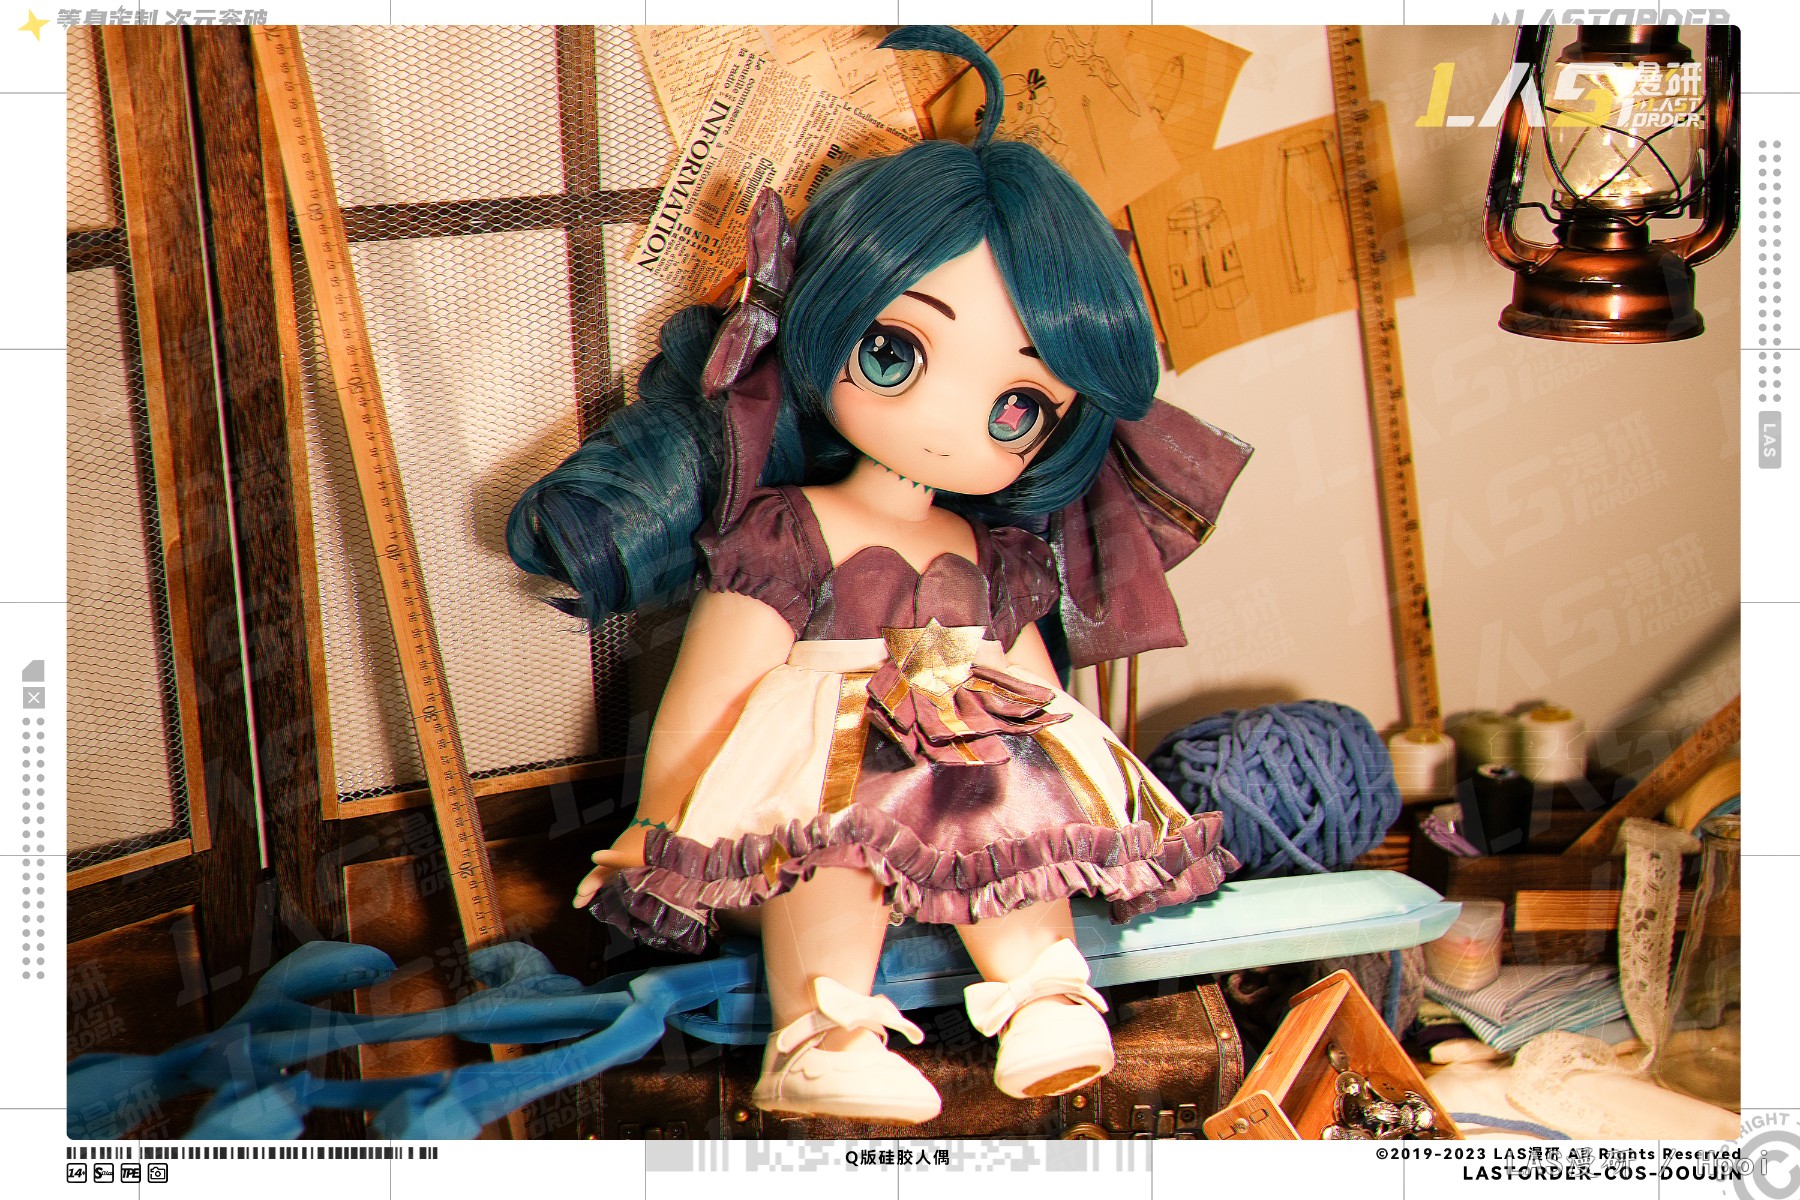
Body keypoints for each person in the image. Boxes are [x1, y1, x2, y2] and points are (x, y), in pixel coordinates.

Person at [508, 26, 1250, 1125]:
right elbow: (713, 696)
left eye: (1018, 406)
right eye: (897, 353)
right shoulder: (792, 532)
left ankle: (1043, 992)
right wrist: (662, 822)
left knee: (1019, 823)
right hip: (816, 801)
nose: (953, 426)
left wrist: (1092, 804)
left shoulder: (989, 551)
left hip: (963, 802)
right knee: (830, 851)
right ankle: (822, 1031)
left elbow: (1041, 701)